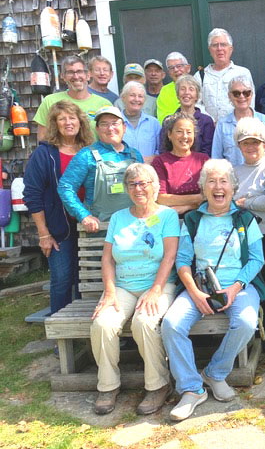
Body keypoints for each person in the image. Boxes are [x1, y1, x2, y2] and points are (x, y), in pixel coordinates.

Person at [162, 159, 265, 421]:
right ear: (203, 188)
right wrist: (194, 293)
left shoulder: (244, 218)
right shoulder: (193, 219)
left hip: (239, 286)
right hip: (199, 288)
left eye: (223, 181)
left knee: (245, 322)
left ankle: (215, 373)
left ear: (232, 187)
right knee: (172, 324)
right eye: (211, 181)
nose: (218, 187)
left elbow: (256, 259)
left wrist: (235, 287)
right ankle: (191, 388)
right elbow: (183, 261)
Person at [90, 163, 179, 415]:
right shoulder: (119, 218)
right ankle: (107, 386)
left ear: (155, 186)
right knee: (102, 323)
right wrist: (108, 292)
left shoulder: (167, 215)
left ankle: (158, 385)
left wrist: (155, 290)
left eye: (143, 183)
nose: (138, 188)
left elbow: (169, 257)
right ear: (127, 189)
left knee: (144, 322)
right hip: (124, 286)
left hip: (159, 285)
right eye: (132, 184)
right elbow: (107, 259)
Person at [23, 101, 94, 315]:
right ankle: (60, 335)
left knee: (87, 280)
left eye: (72, 118)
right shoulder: (45, 154)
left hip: (89, 226)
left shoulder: (89, 150)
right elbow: (32, 195)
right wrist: (43, 234)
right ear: (55, 124)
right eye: (62, 119)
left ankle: (85, 331)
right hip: (59, 228)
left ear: (81, 122)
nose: (68, 123)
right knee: (62, 280)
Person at [233, 117, 265, 351]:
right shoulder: (234, 171)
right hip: (241, 238)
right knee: (248, 283)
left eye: (256, 142)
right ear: (239, 146)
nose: (251, 147)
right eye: (246, 143)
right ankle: (251, 332)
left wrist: (246, 202)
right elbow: (230, 202)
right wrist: (253, 201)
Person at [58, 106, 144, 229]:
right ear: (97, 129)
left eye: (115, 123)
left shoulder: (135, 155)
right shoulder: (86, 155)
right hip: (100, 228)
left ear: (124, 127)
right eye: (104, 124)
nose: (110, 128)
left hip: (133, 227)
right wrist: (84, 216)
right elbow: (65, 187)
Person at [35, 55, 112, 140]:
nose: (76, 76)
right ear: (63, 76)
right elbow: (42, 137)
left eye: (79, 72)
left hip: (95, 152)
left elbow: (110, 138)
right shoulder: (50, 101)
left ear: (88, 75)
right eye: (70, 72)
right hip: (60, 152)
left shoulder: (104, 104)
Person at [211, 75, 265, 166]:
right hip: (233, 178)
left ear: (252, 94)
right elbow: (216, 160)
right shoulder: (222, 125)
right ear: (229, 96)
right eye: (236, 93)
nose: (241, 96)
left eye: (246, 93)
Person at [152, 113, 208, 215]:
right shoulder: (160, 162)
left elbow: (211, 196)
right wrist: (198, 198)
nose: (185, 136)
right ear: (169, 134)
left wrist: (186, 207)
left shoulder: (204, 160)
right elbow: (161, 199)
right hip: (172, 217)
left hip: (202, 216)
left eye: (189, 132)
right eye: (179, 132)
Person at [195, 28, 254, 123]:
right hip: (210, 131)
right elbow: (196, 105)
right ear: (210, 50)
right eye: (215, 45)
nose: (219, 49)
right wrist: (210, 121)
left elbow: (250, 103)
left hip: (238, 128)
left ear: (231, 49)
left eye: (223, 44)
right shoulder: (200, 76)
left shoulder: (242, 73)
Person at [161, 75, 215, 156]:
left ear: (197, 96)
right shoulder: (168, 121)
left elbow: (207, 151)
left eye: (191, 89)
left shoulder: (206, 121)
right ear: (177, 94)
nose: (186, 93)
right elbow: (163, 149)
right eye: (182, 89)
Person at [117, 81, 162, 161]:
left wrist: (150, 159)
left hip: (149, 170)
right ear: (123, 98)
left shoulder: (154, 123)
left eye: (140, 96)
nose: (136, 99)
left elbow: (161, 150)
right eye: (132, 95)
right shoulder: (115, 123)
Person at [157, 52, 192, 123]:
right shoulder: (165, 90)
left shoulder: (197, 85)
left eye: (179, 66)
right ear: (169, 72)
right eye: (171, 68)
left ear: (188, 68)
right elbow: (163, 119)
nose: (176, 70)